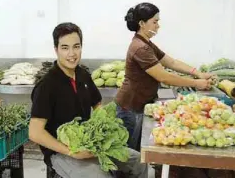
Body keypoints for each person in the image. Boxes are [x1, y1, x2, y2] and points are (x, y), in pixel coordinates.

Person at [29, 22, 148, 178]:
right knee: (100, 176)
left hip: (92, 144)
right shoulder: (46, 86)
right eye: (65, 48)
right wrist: (73, 152)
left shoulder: (83, 75)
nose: (72, 53)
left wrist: (106, 128)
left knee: (139, 161)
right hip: (61, 152)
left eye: (76, 46)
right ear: (56, 50)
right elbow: (35, 133)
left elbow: (97, 104)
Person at [115, 2, 214, 151]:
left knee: (135, 150)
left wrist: (197, 73)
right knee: (129, 153)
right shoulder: (140, 48)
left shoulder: (146, 43)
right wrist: (196, 83)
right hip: (130, 107)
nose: (158, 26)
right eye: (155, 22)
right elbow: (164, 77)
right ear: (142, 23)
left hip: (138, 104)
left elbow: (171, 62)